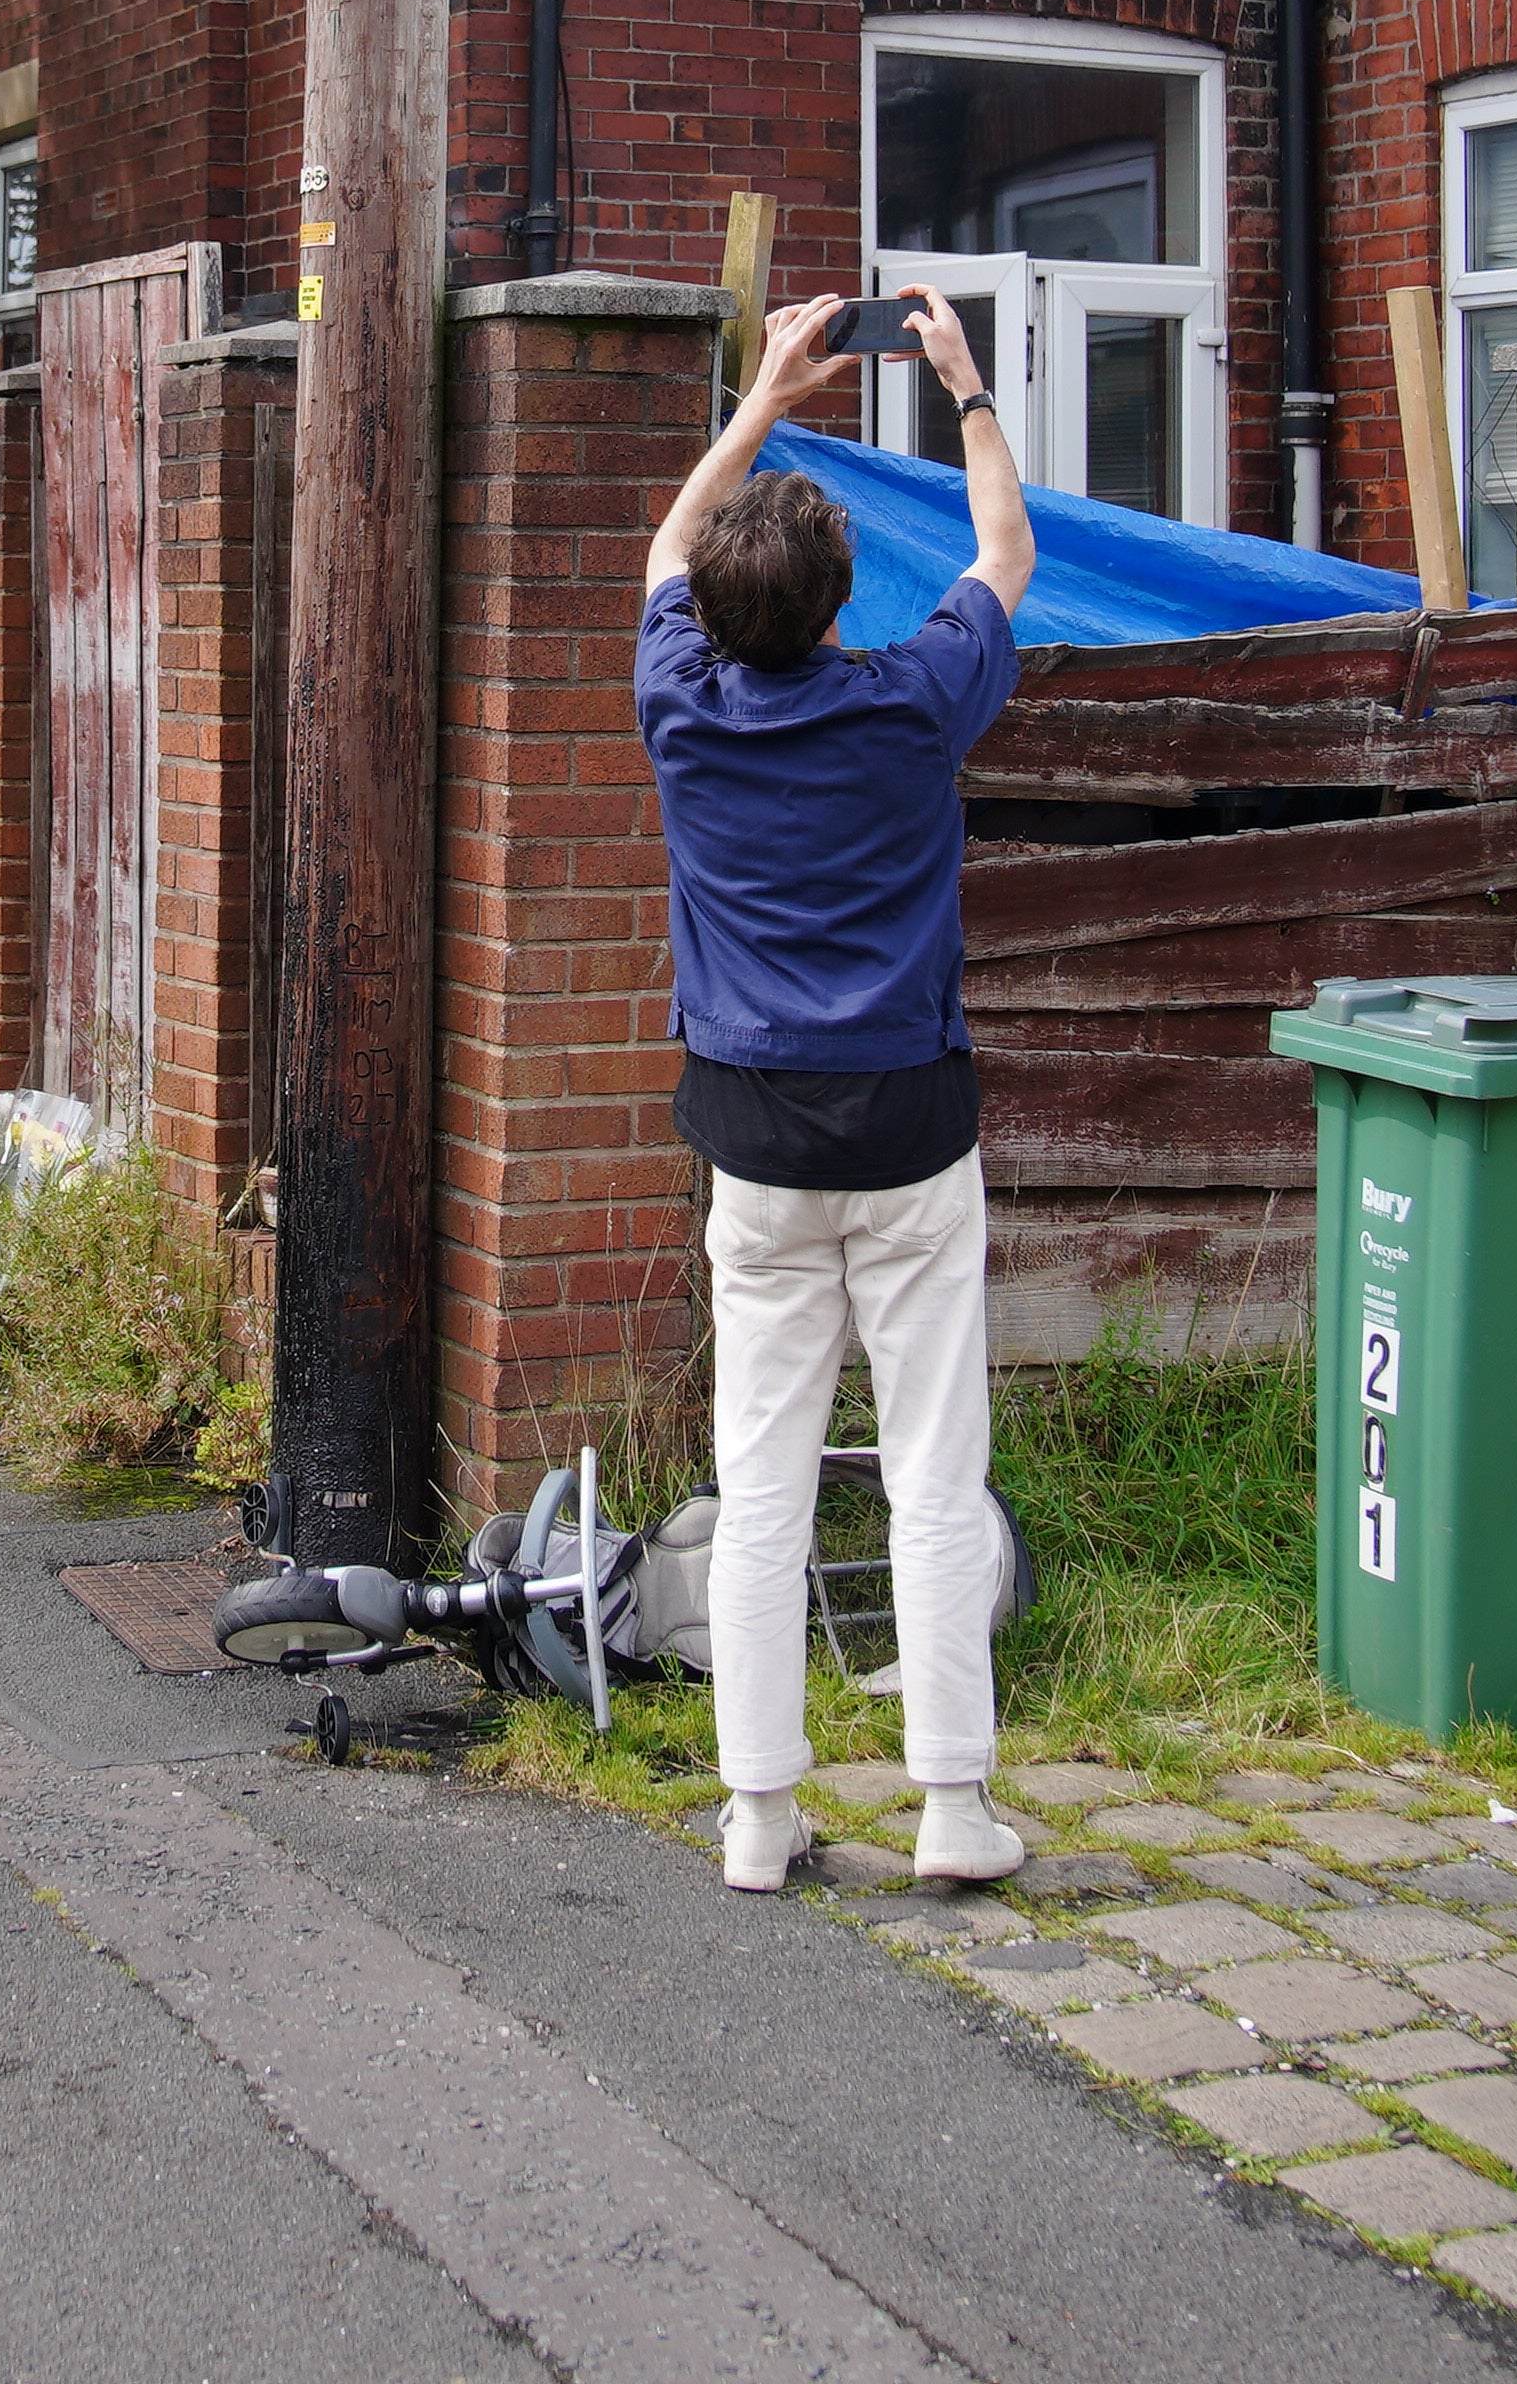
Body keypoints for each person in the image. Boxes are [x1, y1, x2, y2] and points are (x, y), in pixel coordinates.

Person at [635, 288, 1038, 1897]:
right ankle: (952, 1811)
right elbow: (1005, 557)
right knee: (936, 1473)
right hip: (911, 1130)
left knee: (762, 1483)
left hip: (753, 1137)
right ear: (842, 598)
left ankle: (758, 1818)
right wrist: (962, 389)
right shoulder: (911, 703)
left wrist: (759, 402)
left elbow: (665, 548)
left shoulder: (681, 705)